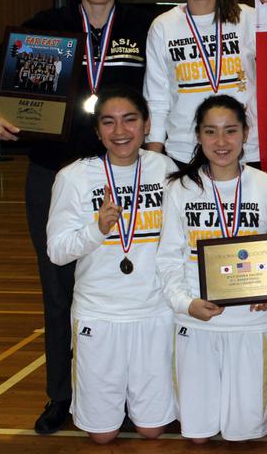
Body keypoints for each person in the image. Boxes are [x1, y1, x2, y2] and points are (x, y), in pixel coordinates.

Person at [0, 0, 152, 434]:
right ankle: (61, 398)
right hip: (55, 176)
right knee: (59, 291)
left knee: (133, 286)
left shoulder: (146, 27)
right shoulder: (48, 26)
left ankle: (137, 397)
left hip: (126, 176)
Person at [155, 95, 267, 443]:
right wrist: (185, 303)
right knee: (198, 435)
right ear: (197, 136)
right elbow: (167, 256)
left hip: (249, 322)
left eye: (230, 131)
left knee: (244, 434)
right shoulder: (179, 189)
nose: (221, 142)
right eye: (211, 132)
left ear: (246, 134)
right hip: (197, 320)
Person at [45, 87, 176, 443]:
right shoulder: (73, 177)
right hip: (99, 313)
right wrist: (97, 229)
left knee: (152, 430)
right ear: (97, 131)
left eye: (130, 119)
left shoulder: (166, 171)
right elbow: (57, 251)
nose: (120, 131)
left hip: (154, 313)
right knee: (101, 436)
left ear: (147, 124)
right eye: (109, 122)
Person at [143, 0, 267, 166]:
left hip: (246, 150)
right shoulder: (163, 26)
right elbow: (157, 98)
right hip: (184, 153)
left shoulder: (249, 18)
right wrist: (153, 157)